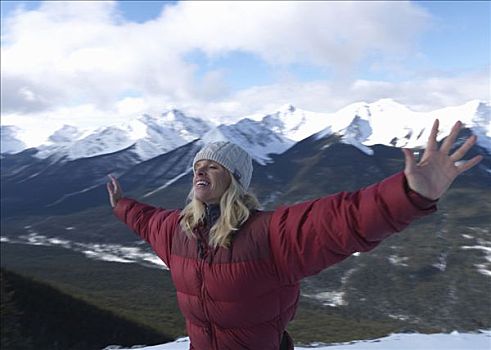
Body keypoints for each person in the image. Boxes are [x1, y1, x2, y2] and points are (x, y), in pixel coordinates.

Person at [107, 119, 482, 350]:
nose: (200, 172)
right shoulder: (178, 231)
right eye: (197, 167)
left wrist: (408, 195)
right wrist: (122, 206)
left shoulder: (267, 235)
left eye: (213, 167)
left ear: (235, 180)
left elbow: (340, 220)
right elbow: (146, 219)